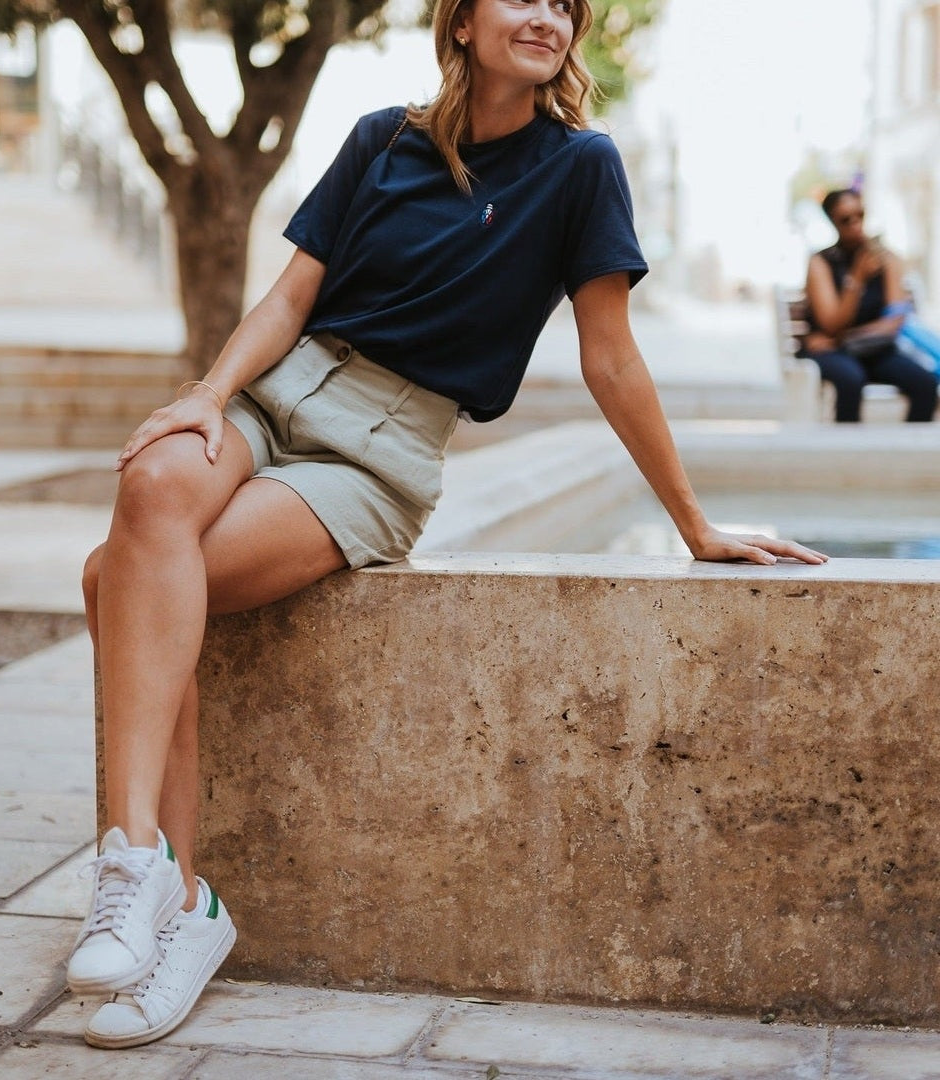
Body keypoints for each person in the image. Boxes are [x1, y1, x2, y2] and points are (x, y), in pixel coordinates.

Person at [67, 0, 829, 1051]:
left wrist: (691, 523)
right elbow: (293, 296)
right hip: (275, 396)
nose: (548, 17)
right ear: (461, 22)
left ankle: (174, 898)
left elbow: (610, 355)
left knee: (120, 581)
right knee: (153, 486)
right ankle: (145, 869)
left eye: (566, 5)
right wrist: (208, 394)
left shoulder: (580, 167)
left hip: (377, 449)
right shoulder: (381, 137)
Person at [802, 188, 936, 422]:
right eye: (846, 219)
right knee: (850, 380)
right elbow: (831, 323)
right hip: (832, 353)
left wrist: (844, 338)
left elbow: (894, 321)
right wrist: (857, 279)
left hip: (872, 350)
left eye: (860, 215)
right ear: (832, 222)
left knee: (924, 384)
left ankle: (907, 451)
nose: (855, 224)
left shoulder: (887, 259)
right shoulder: (821, 262)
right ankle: (847, 452)